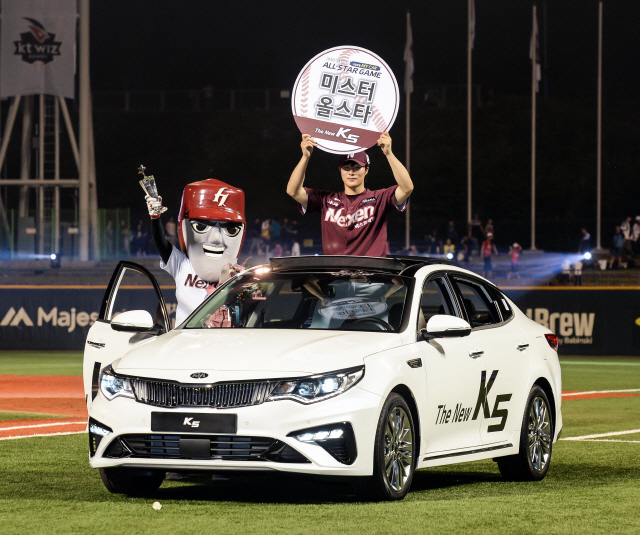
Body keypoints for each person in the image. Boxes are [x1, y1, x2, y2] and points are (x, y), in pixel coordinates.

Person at [286, 132, 413, 257]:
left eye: (357, 167)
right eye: (346, 168)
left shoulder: (379, 198)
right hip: (335, 275)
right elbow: (293, 191)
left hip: (371, 275)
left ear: (366, 169)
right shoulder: (326, 200)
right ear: (340, 170)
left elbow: (407, 188)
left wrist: (389, 154)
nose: (351, 172)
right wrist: (305, 157)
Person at [145, 178, 246, 325]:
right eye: (201, 226)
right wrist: (155, 218)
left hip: (220, 340)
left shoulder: (237, 273)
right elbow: (161, 243)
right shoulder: (182, 264)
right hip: (186, 339)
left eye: (230, 229)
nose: (216, 238)